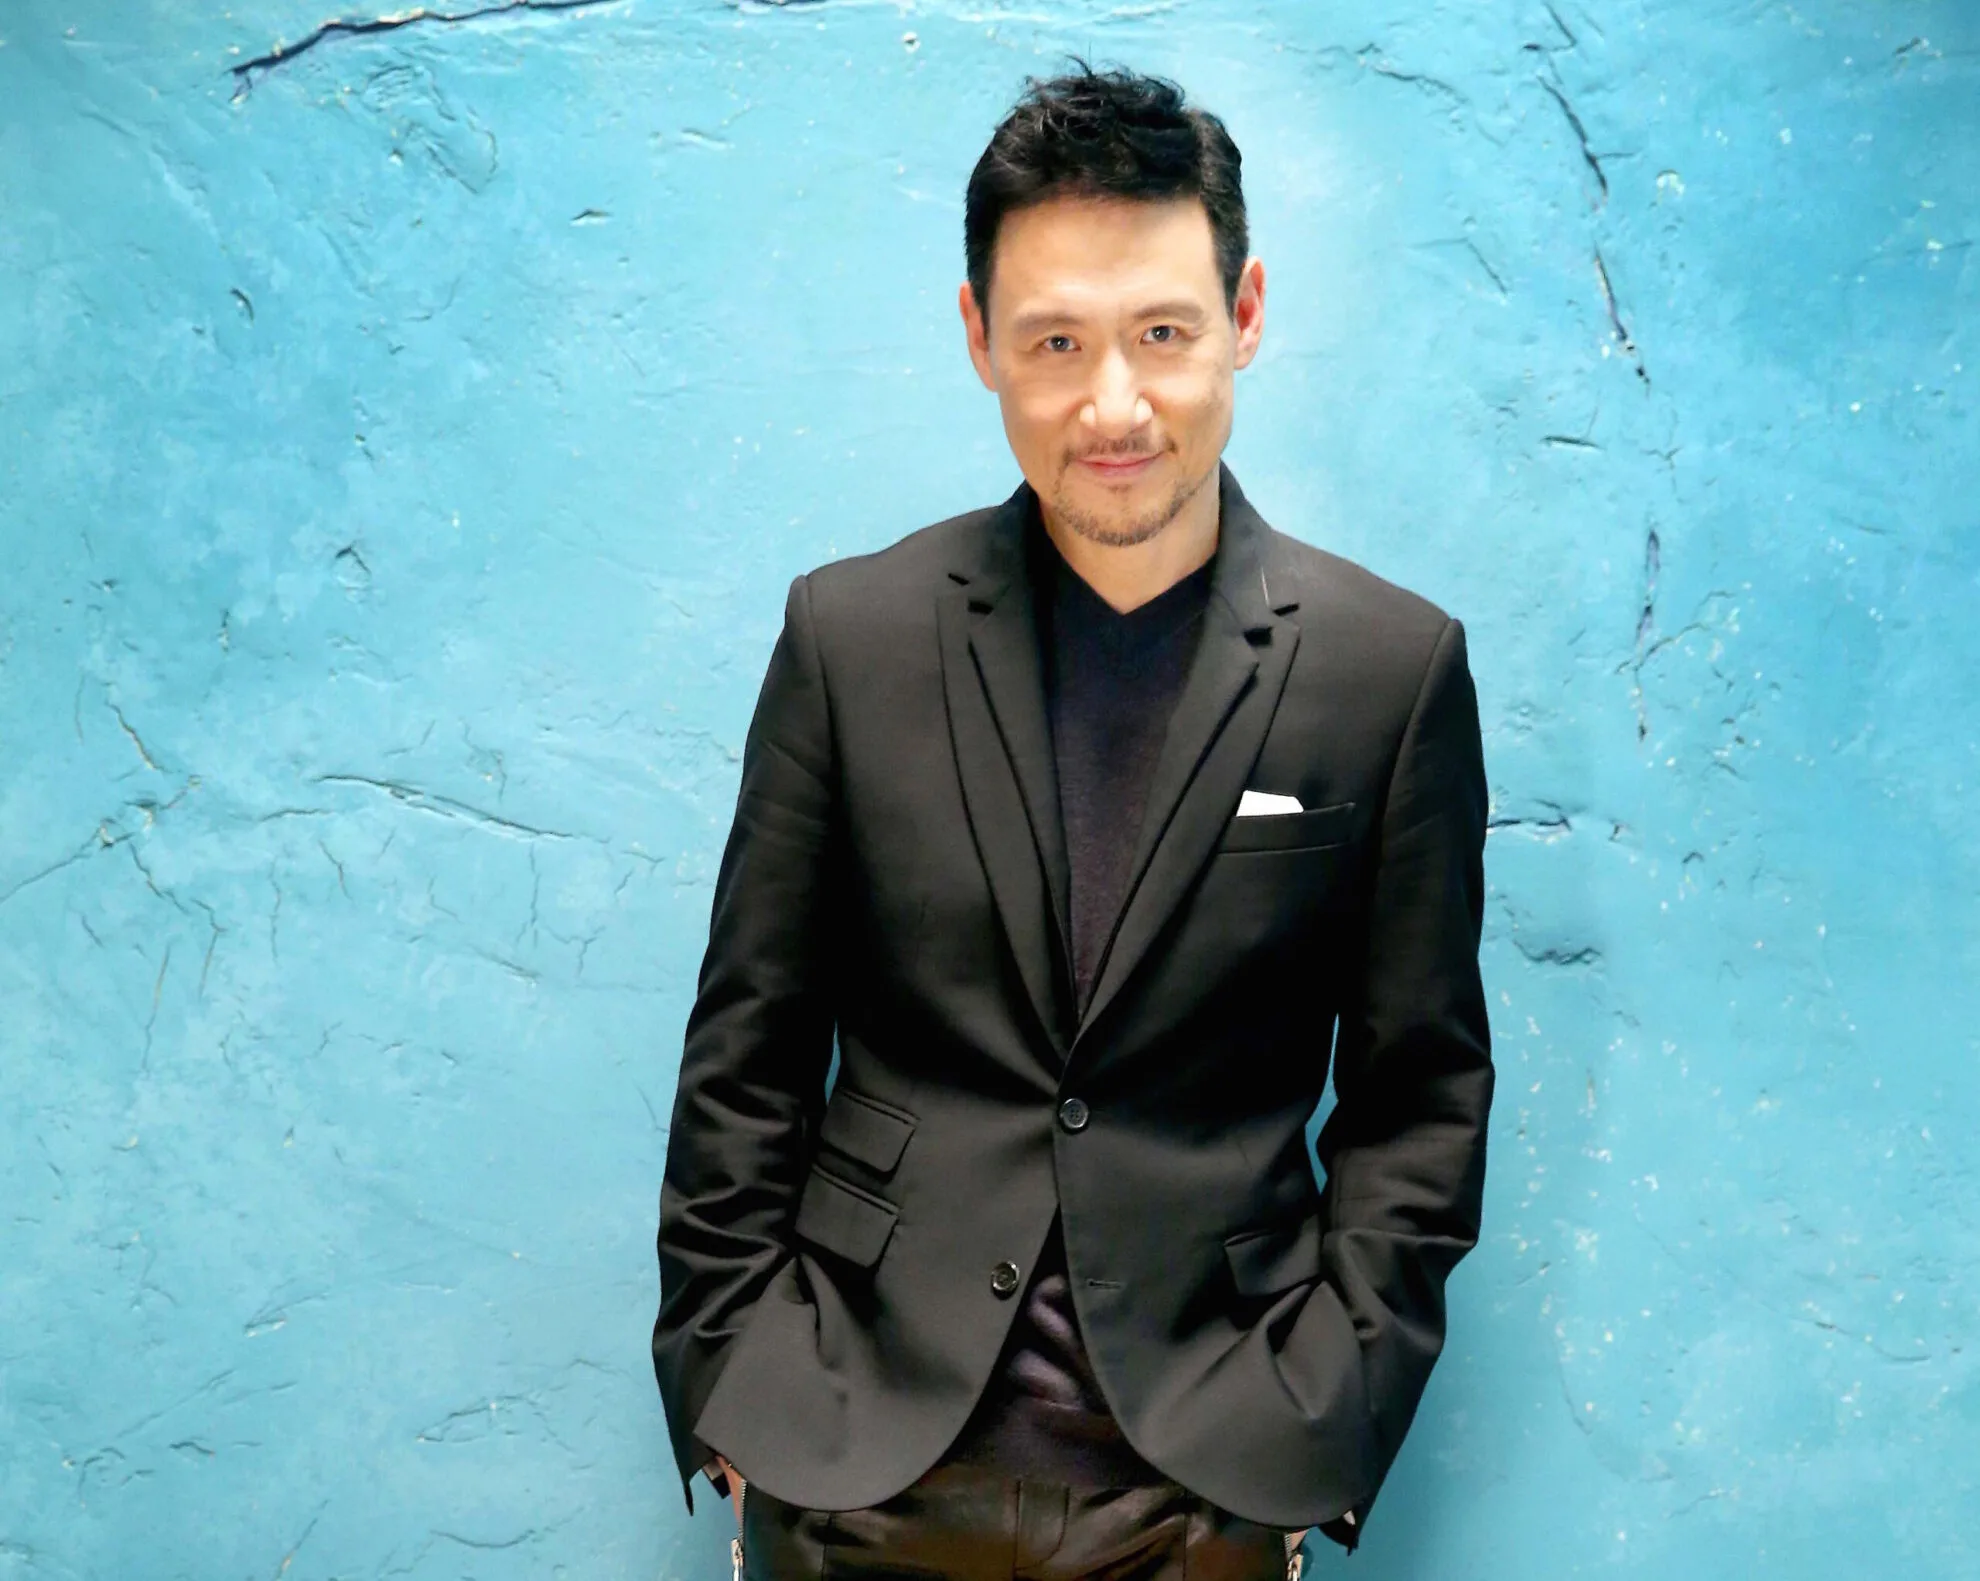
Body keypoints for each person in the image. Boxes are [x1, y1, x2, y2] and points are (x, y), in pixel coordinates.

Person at [653, 60, 1494, 1581]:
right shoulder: (852, 637)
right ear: (979, 337)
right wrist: (732, 1381)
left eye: (1162, 333)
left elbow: (1419, 1099)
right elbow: (746, 1052)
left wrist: (1327, 1415)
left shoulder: (1389, 671)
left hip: (1200, 1489)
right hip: (851, 1469)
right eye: (1055, 342)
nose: (1114, 405)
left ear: (1245, 315)